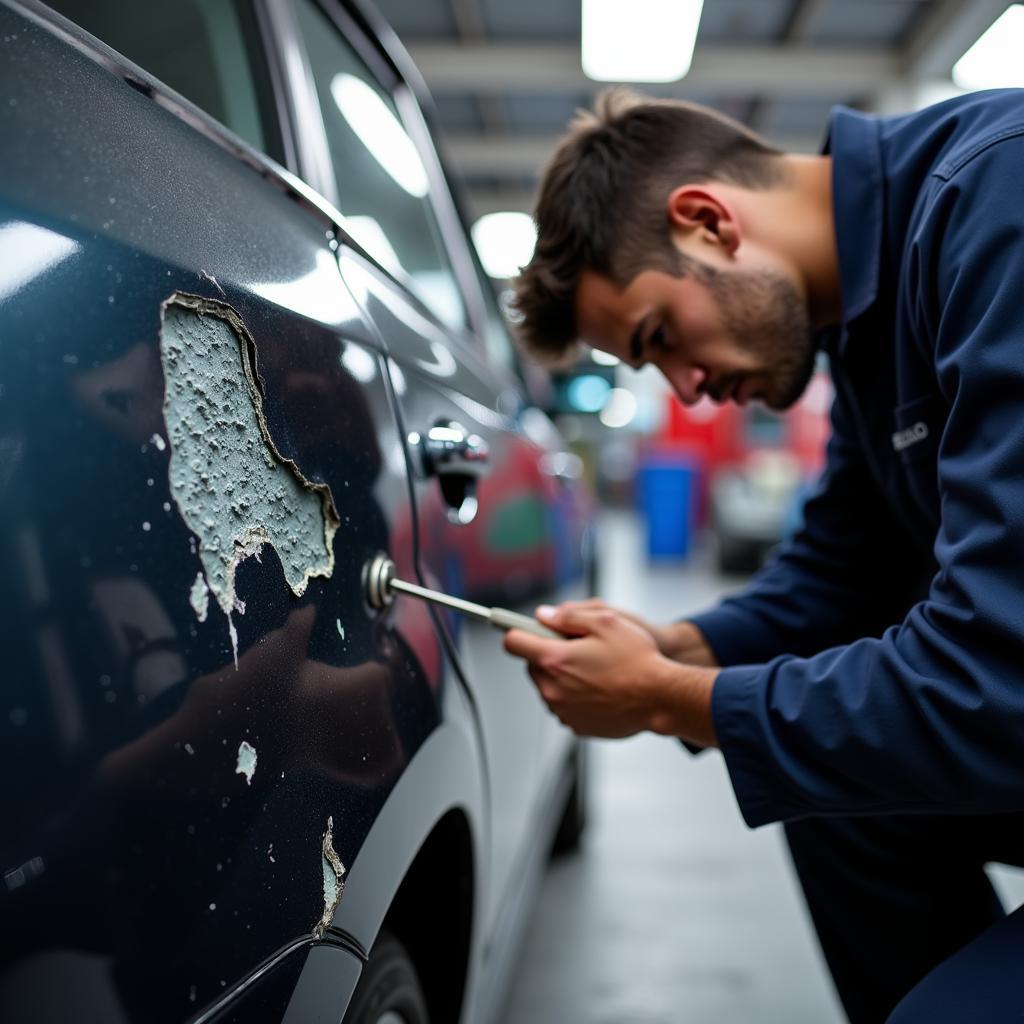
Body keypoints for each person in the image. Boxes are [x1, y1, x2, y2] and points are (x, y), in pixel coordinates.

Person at [504, 87, 1024, 1023]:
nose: (689, 391)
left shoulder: (997, 200)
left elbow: (1000, 674)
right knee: (839, 803)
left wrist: (668, 699)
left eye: (661, 339)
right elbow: (842, 564)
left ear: (707, 221)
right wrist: (677, 648)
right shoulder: (868, 314)